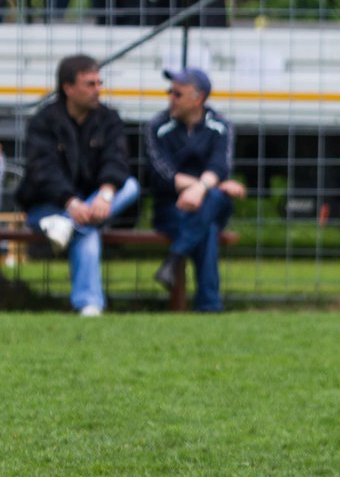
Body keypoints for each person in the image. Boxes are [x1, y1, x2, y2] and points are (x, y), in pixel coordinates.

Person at [17, 53, 140, 316]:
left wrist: (105, 195)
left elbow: (116, 161)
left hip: (92, 205)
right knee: (89, 231)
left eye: (99, 82)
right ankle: (89, 304)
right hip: (48, 206)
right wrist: (71, 203)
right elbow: (43, 172)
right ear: (68, 88)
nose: (98, 90)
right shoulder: (44, 122)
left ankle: (68, 228)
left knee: (129, 186)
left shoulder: (109, 120)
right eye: (90, 84)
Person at [144, 68, 244, 313]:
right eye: (170, 92)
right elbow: (163, 175)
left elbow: (220, 164)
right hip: (171, 208)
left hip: (210, 203)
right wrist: (206, 186)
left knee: (213, 202)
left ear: (198, 99)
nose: (171, 99)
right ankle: (209, 305)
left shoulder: (221, 126)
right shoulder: (156, 127)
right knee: (207, 225)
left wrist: (201, 189)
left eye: (178, 94)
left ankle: (174, 259)